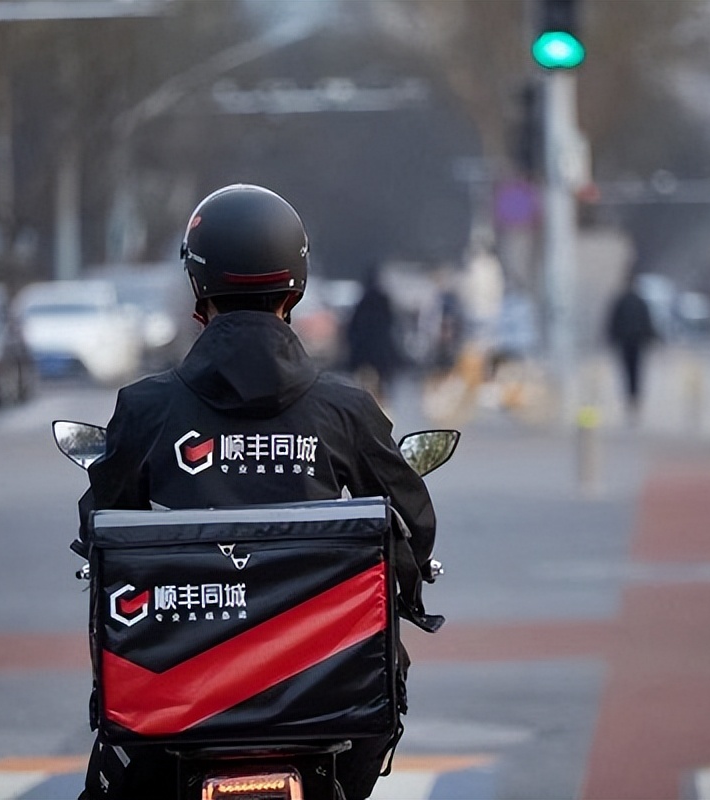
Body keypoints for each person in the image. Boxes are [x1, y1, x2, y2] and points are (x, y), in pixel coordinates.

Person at [77, 184, 439, 800]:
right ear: (294, 287)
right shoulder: (344, 409)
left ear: (198, 286)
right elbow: (411, 522)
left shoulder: (147, 409)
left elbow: (101, 526)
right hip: (327, 697)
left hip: (175, 698)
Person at [605, 270, 657, 423]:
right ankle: (634, 397)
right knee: (636, 371)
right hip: (637, 341)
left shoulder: (622, 300)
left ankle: (631, 397)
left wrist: (612, 338)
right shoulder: (639, 301)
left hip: (626, 341)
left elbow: (613, 322)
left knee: (627, 370)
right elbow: (647, 322)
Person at [345, 264, 401, 408]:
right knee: (381, 388)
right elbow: (392, 325)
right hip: (381, 353)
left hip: (363, 353)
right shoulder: (384, 301)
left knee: (363, 386)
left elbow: (353, 328)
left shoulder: (362, 302)